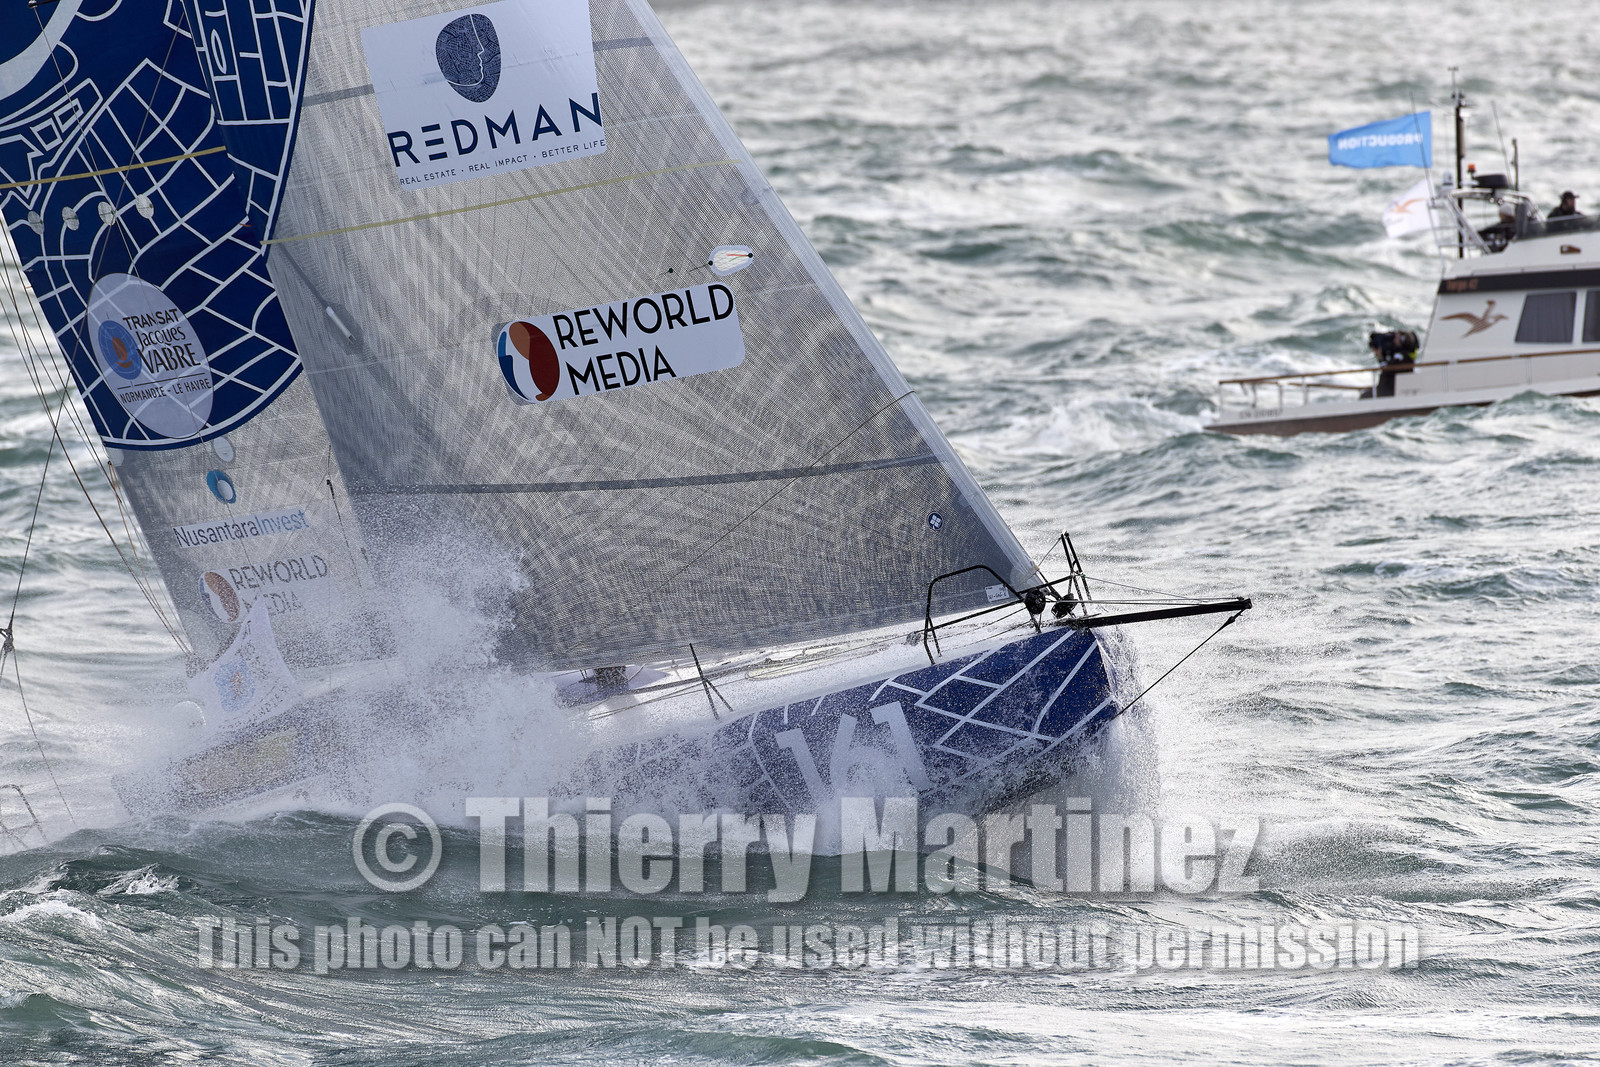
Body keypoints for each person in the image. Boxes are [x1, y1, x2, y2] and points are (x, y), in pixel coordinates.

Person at [1359, 330, 1418, 399]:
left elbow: (1388, 369)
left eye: (1396, 338)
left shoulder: (1401, 357)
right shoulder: (1403, 356)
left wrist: (1380, 358)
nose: (1394, 341)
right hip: (1389, 388)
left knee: (1365, 396)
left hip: (1390, 390)